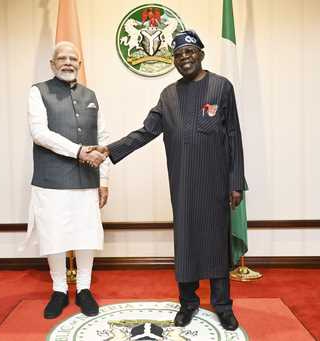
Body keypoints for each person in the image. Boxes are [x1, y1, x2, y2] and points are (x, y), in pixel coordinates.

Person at [93, 30, 245, 331]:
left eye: (189, 52)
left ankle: (223, 305)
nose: (184, 58)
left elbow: (234, 137)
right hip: (183, 185)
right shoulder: (169, 96)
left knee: (216, 243)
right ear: (173, 61)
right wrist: (110, 150)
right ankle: (188, 303)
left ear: (200, 54)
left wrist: (235, 182)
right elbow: (146, 131)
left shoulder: (221, 87)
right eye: (178, 55)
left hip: (216, 184)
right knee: (186, 242)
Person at [26, 41, 109, 319]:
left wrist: (104, 179)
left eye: (73, 58)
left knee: (86, 234)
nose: (68, 62)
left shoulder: (92, 95)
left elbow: (103, 139)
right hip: (51, 180)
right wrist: (77, 151)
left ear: (80, 64)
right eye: (61, 58)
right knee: (55, 235)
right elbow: (39, 132)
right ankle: (59, 289)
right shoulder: (38, 92)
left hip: (88, 178)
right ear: (52, 64)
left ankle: (84, 289)